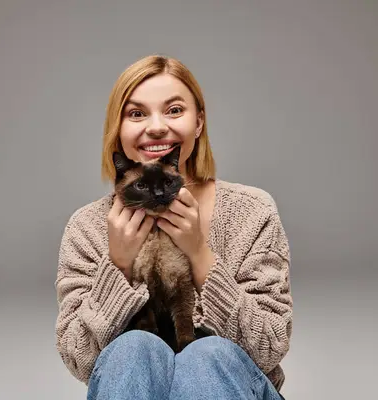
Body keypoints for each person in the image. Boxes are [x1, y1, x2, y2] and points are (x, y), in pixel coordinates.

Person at [55, 54, 293, 400]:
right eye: (137, 114)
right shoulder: (87, 227)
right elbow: (80, 359)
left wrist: (199, 253)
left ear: (198, 122)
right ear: (117, 129)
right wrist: (118, 266)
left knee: (206, 356)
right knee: (133, 348)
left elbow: (269, 346)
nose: (155, 127)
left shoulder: (251, 212)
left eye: (174, 110)